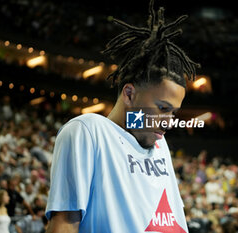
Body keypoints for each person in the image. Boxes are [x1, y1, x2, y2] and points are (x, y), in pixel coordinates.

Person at [45, 0, 200, 232]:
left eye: (174, 112)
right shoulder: (88, 131)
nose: (169, 122)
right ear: (129, 94)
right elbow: (64, 225)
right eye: (163, 108)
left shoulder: (159, 142)